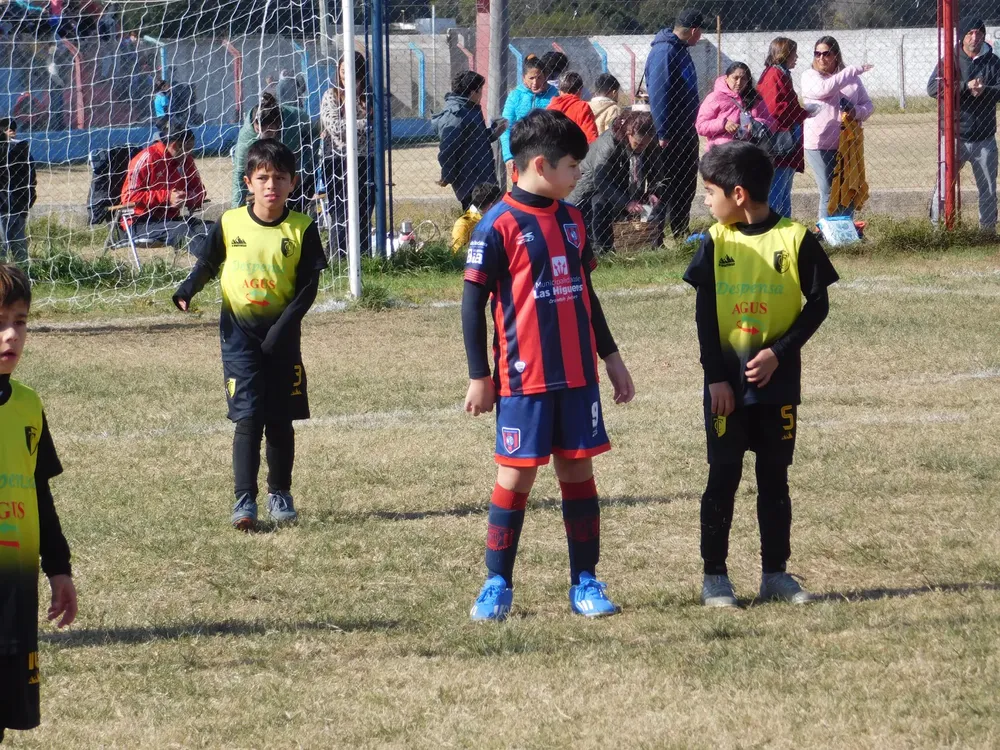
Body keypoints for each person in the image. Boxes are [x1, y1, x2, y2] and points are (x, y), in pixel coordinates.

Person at [463, 109, 636, 621]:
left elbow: (587, 293)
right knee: (515, 479)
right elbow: (473, 306)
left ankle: (585, 580)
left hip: (578, 377)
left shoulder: (574, 219)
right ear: (541, 165)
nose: (580, 173)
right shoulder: (498, 224)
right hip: (523, 381)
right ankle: (497, 583)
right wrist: (480, 375)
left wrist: (612, 357)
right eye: (573, 165)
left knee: (577, 475)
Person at [682, 141, 839, 608]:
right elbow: (705, 318)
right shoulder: (716, 241)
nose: (706, 201)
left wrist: (778, 352)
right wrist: (716, 379)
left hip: (778, 387)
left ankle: (775, 573)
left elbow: (819, 305)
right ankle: (715, 577)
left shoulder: (795, 238)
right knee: (722, 477)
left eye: (710, 192)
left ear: (738, 193)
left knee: (774, 478)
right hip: (727, 389)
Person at [173, 140, 328, 530]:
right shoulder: (229, 223)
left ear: (292, 183)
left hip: (282, 336)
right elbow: (208, 262)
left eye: (279, 178)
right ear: (248, 183)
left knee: (279, 418)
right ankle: (245, 501)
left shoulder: (302, 229)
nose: (271, 185)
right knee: (248, 417)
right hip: (238, 335)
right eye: (263, 178)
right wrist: (188, 289)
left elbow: (308, 288)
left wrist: (282, 328)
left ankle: (280, 493)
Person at [0, 263, 78, 745]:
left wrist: (59, 568)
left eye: (21, 320)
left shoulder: (28, 405)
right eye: (0, 320)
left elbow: (38, 493)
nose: (11, 334)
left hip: (15, 590)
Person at [928, 17, 1000, 234]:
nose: (974, 37)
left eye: (978, 33)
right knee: (943, 188)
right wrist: (965, 87)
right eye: (970, 33)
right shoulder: (948, 60)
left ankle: (986, 233)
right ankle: (937, 230)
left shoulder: (993, 62)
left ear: (983, 35)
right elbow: (933, 88)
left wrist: (985, 90)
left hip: (984, 139)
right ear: (962, 36)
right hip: (953, 137)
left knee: (987, 189)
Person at [645, 8, 704, 242]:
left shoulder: (681, 49)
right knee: (663, 185)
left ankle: (680, 233)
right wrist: (662, 132)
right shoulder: (665, 51)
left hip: (685, 130)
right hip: (670, 134)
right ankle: (652, 236)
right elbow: (659, 94)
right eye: (700, 32)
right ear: (693, 30)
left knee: (686, 183)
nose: (701, 37)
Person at [802, 36, 873, 220]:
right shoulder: (810, 76)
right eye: (817, 53)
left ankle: (845, 231)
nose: (821, 58)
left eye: (826, 53)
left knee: (847, 187)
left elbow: (868, 105)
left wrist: (855, 111)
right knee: (828, 189)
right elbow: (824, 90)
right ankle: (826, 233)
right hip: (820, 144)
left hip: (847, 142)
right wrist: (851, 70)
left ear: (836, 55)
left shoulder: (852, 79)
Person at [567, 110, 657, 253]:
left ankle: (634, 246)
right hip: (591, 181)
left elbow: (656, 168)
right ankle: (600, 251)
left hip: (617, 179)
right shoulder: (608, 144)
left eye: (645, 145)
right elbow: (600, 179)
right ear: (628, 134)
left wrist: (654, 191)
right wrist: (626, 202)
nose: (642, 148)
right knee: (596, 206)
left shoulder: (648, 138)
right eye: (638, 144)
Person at [120, 121, 209, 248]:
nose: (189, 153)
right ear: (174, 145)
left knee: (211, 228)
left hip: (169, 220)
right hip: (140, 223)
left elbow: (200, 190)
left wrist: (188, 198)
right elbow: (128, 197)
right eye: (187, 149)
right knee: (183, 230)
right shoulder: (147, 159)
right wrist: (167, 197)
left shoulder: (186, 160)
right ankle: (208, 266)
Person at [320, 51, 374, 257]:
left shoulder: (370, 98)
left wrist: (363, 126)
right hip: (337, 159)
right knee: (341, 211)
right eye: (342, 72)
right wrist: (365, 124)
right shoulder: (331, 95)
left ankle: (364, 255)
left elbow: (382, 127)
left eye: (350, 71)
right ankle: (339, 256)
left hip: (366, 159)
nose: (345, 76)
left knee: (363, 211)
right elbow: (335, 126)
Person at [433, 70, 504, 211]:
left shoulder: (470, 109)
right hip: (470, 181)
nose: (481, 95)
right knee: (476, 219)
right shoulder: (457, 114)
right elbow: (448, 147)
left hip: (481, 175)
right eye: (480, 91)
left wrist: (494, 132)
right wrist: (447, 175)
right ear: (473, 92)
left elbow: (477, 139)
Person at [758, 37, 812, 218]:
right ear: (785, 54)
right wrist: (801, 113)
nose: (796, 57)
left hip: (787, 138)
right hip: (779, 141)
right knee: (778, 188)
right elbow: (774, 108)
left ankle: (785, 227)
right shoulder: (774, 74)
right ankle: (773, 226)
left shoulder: (781, 73)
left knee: (785, 188)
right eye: (793, 53)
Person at [231, 94, 310, 210]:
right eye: (259, 130)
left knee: (296, 204)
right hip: (269, 181)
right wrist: (236, 210)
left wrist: (308, 163)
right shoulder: (247, 136)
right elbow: (239, 173)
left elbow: (313, 133)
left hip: (296, 167)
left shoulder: (295, 117)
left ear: (278, 125)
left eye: (269, 132)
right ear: (254, 125)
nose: (263, 136)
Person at [499, 56, 558, 181]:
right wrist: (508, 156)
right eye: (531, 78)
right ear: (523, 78)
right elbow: (505, 127)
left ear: (546, 76)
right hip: (522, 153)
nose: (535, 82)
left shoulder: (555, 95)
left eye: (539, 77)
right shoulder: (515, 96)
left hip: (547, 152)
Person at [696, 62, 774, 152]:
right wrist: (723, 124)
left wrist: (755, 125)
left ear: (748, 81)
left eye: (743, 79)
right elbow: (701, 126)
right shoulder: (714, 98)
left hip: (749, 152)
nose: (739, 82)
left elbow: (771, 122)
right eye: (735, 78)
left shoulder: (755, 99)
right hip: (721, 154)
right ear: (726, 78)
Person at [0, 127, 36, 263]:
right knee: (11, 243)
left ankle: (23, 272)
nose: (10, 131)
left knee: (14, 243)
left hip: (13, 205)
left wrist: (29, 199)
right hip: (13, 204)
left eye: (12, 128)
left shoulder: (20, 150)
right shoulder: (20, 149)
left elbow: (31, 178)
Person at [547, 71, 599, 143]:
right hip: (575, 150)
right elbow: (590, 137)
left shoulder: (550, 108)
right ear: (580, 91)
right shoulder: (582, 107)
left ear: (559, 91)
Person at [450, 182, 502, 253]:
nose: (504, 204)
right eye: (501, 202)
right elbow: (456, 255)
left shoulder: (500, 219)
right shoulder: (463, 224)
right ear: (491, 206)